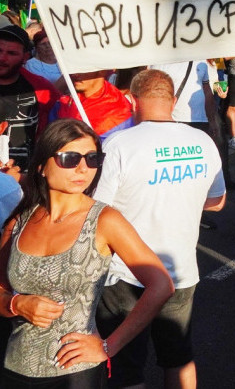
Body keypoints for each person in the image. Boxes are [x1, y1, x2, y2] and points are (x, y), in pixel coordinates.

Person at [0, 119, 173, 388]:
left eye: (93, 158)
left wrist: (109, 345)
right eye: (69, 158)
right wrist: (16, 304)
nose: (83, 168)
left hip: (75, 374)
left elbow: (161, 284)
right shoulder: (19, 221)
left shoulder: (105, 220)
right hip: (14, 367)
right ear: (42, 166)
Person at [93, 69, 226, 389]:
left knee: (126, 364)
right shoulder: (202, 141)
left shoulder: (119, 143)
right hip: (180, 270)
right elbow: (218, 201)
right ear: (174, 101)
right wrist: (181, 199)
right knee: (178, 356)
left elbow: (96, 210)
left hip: (126, 272)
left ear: (131, 99)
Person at [0, 25, 59, 171]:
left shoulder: (40, 88)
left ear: (25, 57)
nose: (2, 58)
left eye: (11, 53)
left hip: (22, 179)